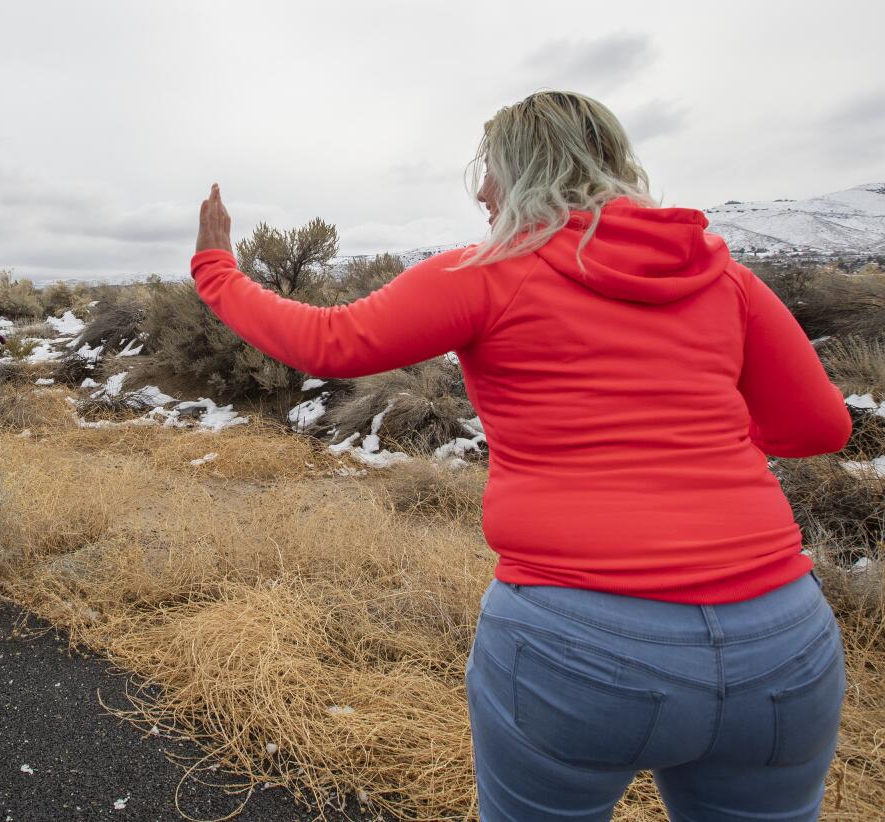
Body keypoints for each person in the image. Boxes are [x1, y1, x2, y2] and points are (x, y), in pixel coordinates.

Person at [192, 91, 852, 821]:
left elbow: (329, 341)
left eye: (491, 170)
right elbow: (820, 428)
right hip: (782, 642)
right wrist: (705, 445)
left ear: (531, 169)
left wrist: (218, 270)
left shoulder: (491, 270)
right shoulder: (725, 277)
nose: (481, 191)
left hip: (578, 645)